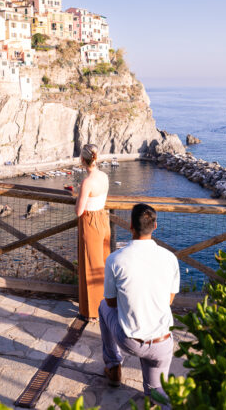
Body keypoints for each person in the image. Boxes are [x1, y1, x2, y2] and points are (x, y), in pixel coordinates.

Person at [99, 203, 180, 399]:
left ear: (131, 227)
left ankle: (113, 366)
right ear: (155, 226)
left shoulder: (115, 259)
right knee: (157, 395)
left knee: (102, 306)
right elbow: (169, 300)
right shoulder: (170, 258)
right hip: (162, 343)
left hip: (131, 342)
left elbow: (110, 303)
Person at [75, 143, 111, 319]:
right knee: (102, 265)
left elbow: (79, 211)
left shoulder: (87, 182)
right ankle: (106, 304)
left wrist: (77, 196)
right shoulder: (104, 176)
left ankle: (92, 312)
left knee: (90, 266)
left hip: (90, 222)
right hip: (104, 220)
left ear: (83, 160)